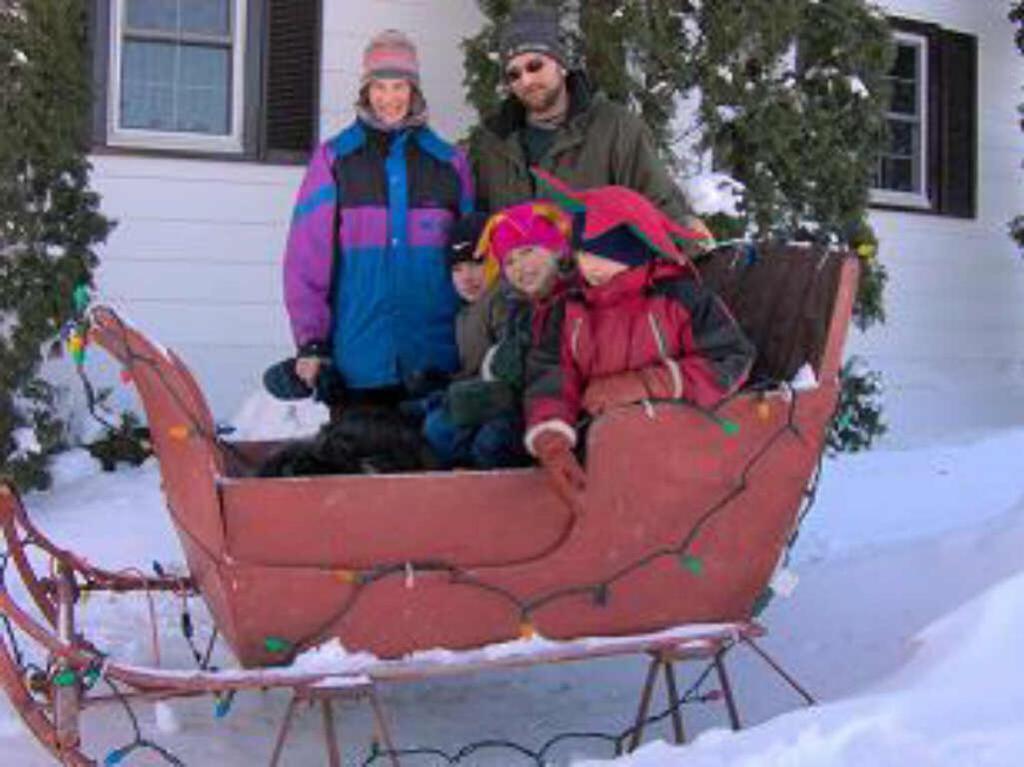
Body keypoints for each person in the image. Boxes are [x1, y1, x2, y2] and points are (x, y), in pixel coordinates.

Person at [520, 175, 756, 509]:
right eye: (583, 255)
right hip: (598, 455)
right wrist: (552, 441)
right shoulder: (569, 308)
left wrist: (644, 384)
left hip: (677, 458)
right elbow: (551, 377)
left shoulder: (680, 298)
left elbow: (732, 359)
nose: (590, 267)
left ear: (634, 252)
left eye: (604, 255)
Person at [277, 29, 474, 410]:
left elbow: (474, 261)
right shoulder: (334, 159)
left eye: (399, 86)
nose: (389, 99)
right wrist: (311, 341)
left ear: (414, 90)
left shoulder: (450, 163)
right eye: (379, 87)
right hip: (359, 360)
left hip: (435, 359)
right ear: (365, 90)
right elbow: (306, 259)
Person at [472, 4, 711, 242]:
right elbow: (480, 227)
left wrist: (691, 243)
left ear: (561, 64)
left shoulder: (616, 128)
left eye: (535, 66)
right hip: (521, 278)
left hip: (597, 276)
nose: (526, 80)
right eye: (514, 74)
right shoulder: (493, 142)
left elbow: (660, 206)